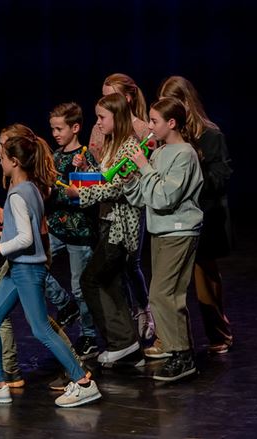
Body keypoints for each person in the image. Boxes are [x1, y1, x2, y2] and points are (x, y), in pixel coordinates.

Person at [0, 132, 101, 408]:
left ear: (14, 161)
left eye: (3, 157)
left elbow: (26, 239)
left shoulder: (18, 194)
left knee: (41, 329)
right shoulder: (32, 189)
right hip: (20, 268)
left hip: (27, 270)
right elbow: (23, 231)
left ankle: (83, 382)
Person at [123, 97, 203, 381]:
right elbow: (145, 196)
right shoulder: (159, 153)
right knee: (166, 296)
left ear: (171, 123)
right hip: (161, 230)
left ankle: (183, 355)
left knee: (162, 294)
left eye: (154, 121)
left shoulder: (184, 154)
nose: (150, 126)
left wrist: (144, 167)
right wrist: (130, 178)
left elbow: (165, 197)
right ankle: (176, 349)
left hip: (179, 230)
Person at [154, 75, 234, 355]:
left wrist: (190, 178)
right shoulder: (172, 139)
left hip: (205, 216)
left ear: (186, 103)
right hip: (176, 219)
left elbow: (221, 176)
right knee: (169, 286)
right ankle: (171, 339)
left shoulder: (210, 135)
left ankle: (219, 333)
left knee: (204, 279)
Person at [66, 93, 144, 367]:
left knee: (91, 280)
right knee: (110, 284)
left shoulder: (129, 148)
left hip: (120, 229)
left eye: (102, 117)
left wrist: (82, 196)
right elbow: (105, 177)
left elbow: (117, 186)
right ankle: (128, 344)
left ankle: (120, 342)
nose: (97, 123)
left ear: (118, 118)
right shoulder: (113, 145)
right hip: (108, 223)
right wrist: (86, 170)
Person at [88, 73, 155, 343]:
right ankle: (126, 321)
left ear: (125, 98)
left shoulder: (139, 131)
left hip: (128, 211)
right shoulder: (101, 126)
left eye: (110, 96)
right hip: (106, 210)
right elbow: (103, 169)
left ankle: (143, 310)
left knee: (130, 264)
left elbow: (125, 179)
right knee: (114, 271)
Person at [45, 102, 99, 360]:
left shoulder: (85, 157)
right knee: (34, 267)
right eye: (53, 129)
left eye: (59, 128)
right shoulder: (54, 156)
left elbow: (87, 194)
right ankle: (63, 304)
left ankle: (89, 335)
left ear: (75, 128)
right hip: (56, 226)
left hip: (78, 231)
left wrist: (76, 177)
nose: (55, 133)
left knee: (80, 287)